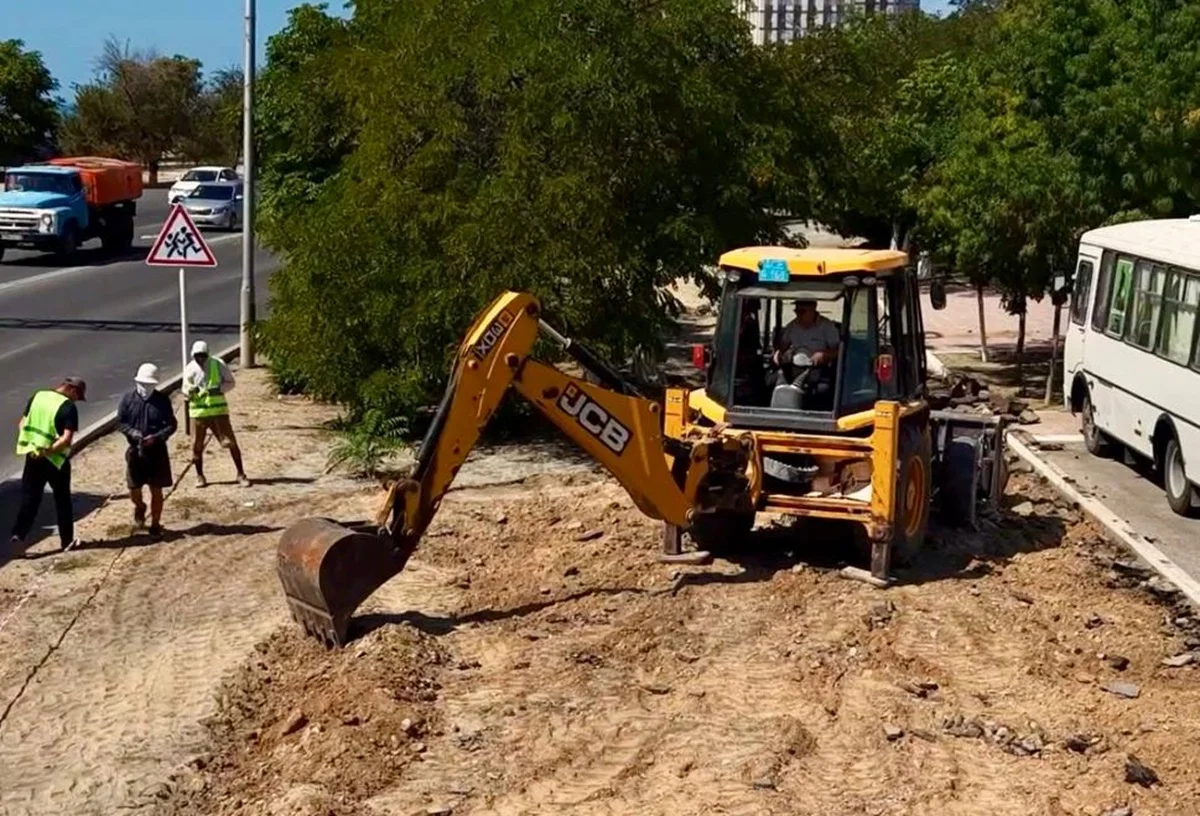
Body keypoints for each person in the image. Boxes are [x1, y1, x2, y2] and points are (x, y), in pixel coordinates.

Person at [8, 377, 87, 557]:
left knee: (30, 499)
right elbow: (66, 439)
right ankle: (67, 541)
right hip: (55, 461)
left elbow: (22, 424)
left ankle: (18, 535)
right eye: (77, 396)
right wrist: (49, 450)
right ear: (72, 390)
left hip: (33, 457)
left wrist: (33, 445)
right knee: (62, 500)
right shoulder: (67, 407)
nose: (76, 400)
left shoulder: (38, 396)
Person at [117, 363, 177, 536]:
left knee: (156, 489)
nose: (145, 388)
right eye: (142, 384)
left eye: (149, 384)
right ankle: (140, 506)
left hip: (157, 452)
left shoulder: (162, 401)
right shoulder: (127, 399)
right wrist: (133, 433)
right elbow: (120, 422)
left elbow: (171, 425)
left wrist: (157, 438)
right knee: (134, 488)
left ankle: (155, 524)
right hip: (135, 452)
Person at [183, 340, 251, 488]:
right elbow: (185, 390)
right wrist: (191, 392)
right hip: (199, 414)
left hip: (218, 412)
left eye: (202, 356)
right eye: (197, 356)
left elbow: (231, 383)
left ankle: (241, 473)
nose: (200, 359)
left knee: (230, 442)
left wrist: (219, 389)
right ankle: (199, 476)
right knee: (196, 447)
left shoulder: (218, 364)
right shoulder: (190, 369)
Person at [772, 299, 841, 386]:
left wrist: (825, 354)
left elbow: (839, 350)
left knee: (823, 389)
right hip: (794, 368)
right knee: (772, 382)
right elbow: (783, 346)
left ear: (813, 309)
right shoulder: (792, 326)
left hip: (818, 369)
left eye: (802, 312)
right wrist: (779, 353)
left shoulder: (827, 327)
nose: (798, 315)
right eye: (796, 311)